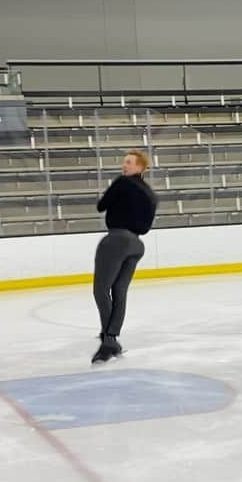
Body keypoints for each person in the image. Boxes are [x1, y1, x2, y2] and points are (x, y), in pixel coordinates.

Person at [92, 149, 158, 364]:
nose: (124, 166)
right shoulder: (151, 193)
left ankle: (109, 339)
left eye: (129, 163)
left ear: (140, 167)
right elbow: (147, 224)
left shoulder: (122, 182)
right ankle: (112, 338)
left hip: (116, 240)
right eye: (124, 163)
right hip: (136, 244)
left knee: (101, 290)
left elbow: (101, 206)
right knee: (119, 291)